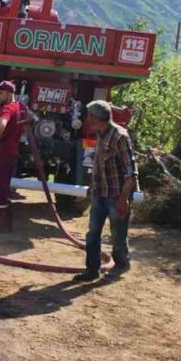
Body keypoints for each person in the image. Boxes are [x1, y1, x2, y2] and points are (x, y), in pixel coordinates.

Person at [72, 100, 137, 281]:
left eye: (89, 116)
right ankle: (91, 270)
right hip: (100, 194)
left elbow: (131, 173)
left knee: (118, 235)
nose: (87, 120)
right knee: (93, 233)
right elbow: (99, 165)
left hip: (116, 195)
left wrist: (123, 199)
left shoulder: (119, 136)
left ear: (96, 118)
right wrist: (92, 189)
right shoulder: (100, 135)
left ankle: (121, 265)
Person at [0, 81, 26, 233]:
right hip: (11, 154)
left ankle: (2, 224)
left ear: (9, 94)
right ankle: (7, 223)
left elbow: (1, 124)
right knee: (3, 187)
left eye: (0, 93)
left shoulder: (8, 109)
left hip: (2, 154)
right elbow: (30, 118)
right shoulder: (20, 107)